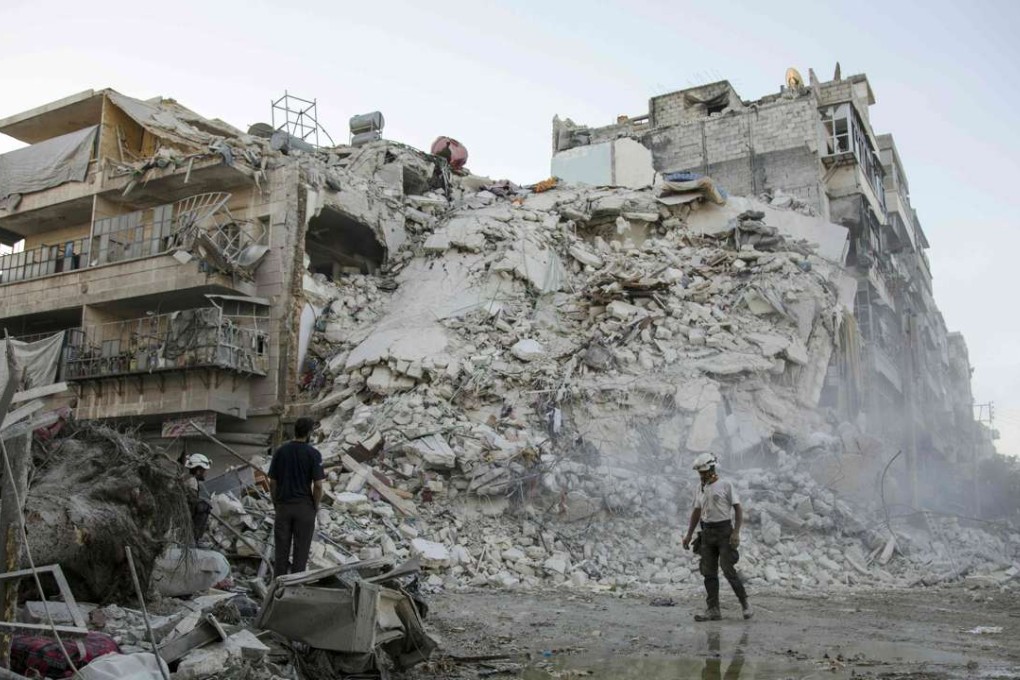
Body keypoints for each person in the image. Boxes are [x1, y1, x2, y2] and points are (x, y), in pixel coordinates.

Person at [682, 452, 752, 621]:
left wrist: (736, 532)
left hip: (724, 532)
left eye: (704, 472)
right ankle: (713, 609)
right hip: (707, 534)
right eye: (700, 473)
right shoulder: (700, 488)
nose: (702, 475)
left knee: (728, 570)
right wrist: (689, 534)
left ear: (712, 469)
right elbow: (697, 512)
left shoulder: (725, 485)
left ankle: (745, 604)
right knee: (709, 572)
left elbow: (738, 509)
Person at [269, 417, 325, 576]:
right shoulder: (313, 454)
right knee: (301, 554)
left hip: (283, 507)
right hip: (304, 509)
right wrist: (315, 506)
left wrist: (276, 503)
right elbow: (318, 485)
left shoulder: (280, 451)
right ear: (309, 433)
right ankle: (295, 585)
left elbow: (272, 482)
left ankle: (278, 586)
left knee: (281, 553)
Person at [183, 453, 212, 545]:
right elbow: (192, 501)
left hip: (183, 509)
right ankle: (194, 537)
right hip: (184, 513)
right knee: (204, 507)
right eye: (205, 471)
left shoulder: (186, 477)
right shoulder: (192, 481)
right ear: (198, 471)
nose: (206, 473)